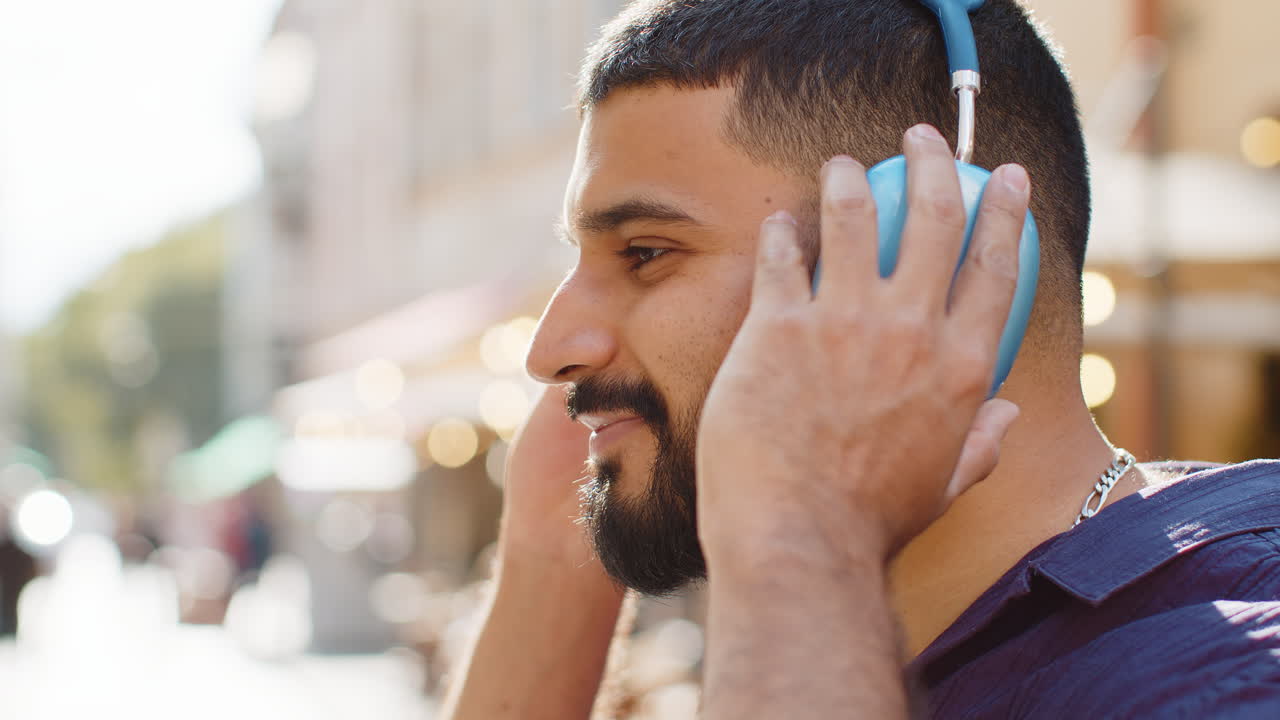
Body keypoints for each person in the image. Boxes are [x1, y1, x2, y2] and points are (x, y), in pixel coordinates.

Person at [442, 1, 1280, 717]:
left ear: (924, 251)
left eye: (646, 252)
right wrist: (551, 567)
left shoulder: (1227, 665)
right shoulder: (824, 650)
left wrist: (802, 543)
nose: (551, 351)